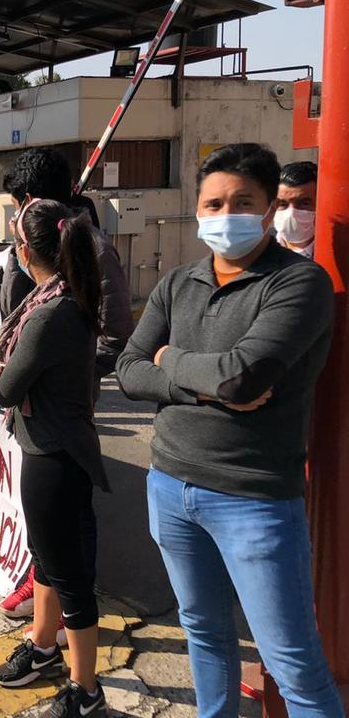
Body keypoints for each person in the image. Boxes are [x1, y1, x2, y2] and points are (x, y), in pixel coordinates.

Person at [117, 144, 342, 718]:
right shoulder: (176, 282)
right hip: (169, 485)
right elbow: (127, 371)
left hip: (255, 499)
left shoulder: (299, 283)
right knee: (203, 631)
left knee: (292, 663)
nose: (225, 215)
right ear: (197, 210)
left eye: (242, 202)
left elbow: (243, 379)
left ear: (268, 208)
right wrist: (192, 377)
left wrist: (170, 360)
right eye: (213, 203)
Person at [0, 199, 109, 718]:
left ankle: (86, 688)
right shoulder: (64, 299)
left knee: (67, 572)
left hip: (53, 453)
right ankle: (43, 646)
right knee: (48, 561)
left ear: (25, 249)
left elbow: (10, 389)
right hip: (60, 447)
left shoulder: (49, 313)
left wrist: (1, 373)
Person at [0, 146, 133, 621]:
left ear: (32, 200)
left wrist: (70, 370)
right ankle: (45, 590)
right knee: (48, 512)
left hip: (64, 406)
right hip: (33, 405)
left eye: (18, 205)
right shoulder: (25, 248)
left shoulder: (93, 248)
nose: (16, 215)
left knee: (72, 509)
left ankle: (76, 598)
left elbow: (115, 332)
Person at [274, 160, 317, 258]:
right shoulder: (258, 250)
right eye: (282, 204)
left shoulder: (339, 250)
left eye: (304, 203)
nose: (291, 213)